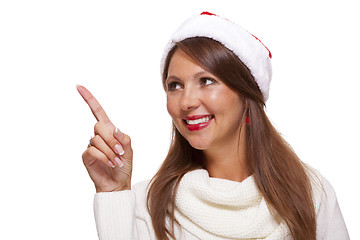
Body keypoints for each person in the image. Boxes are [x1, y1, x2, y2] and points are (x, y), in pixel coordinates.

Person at [77, 12, 349, 240]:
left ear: (247, 94)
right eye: (175, 85)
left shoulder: (310, 191)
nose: (186, 101)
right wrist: (112, 194)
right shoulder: (147, 202)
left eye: (206, 80)